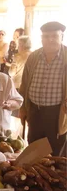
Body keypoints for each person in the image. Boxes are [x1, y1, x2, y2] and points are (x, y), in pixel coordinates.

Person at [19, 21, 67, 155]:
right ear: (41, 38)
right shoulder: (34, 57)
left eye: (54, 36)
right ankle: (34, 173)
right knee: (33, 145)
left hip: (57, 112)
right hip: (34, 110)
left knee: (56, 148)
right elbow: (24, 84)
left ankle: (55, 175)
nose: (50, 39)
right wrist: (23, 108)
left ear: (61, 36)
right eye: (46, 36)